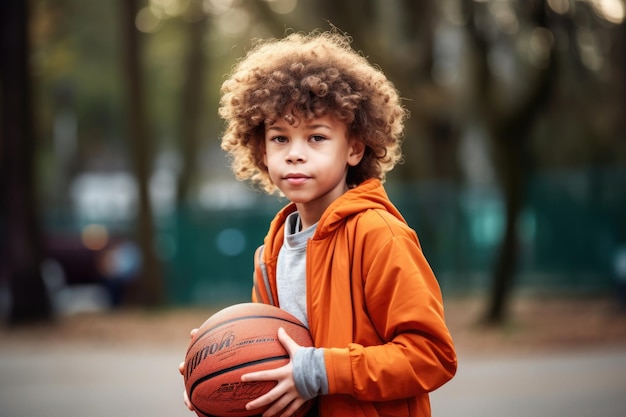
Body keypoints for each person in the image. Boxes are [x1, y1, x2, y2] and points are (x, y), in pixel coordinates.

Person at [180, 30, 457, 417]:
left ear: (354, 148)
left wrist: (324, 370)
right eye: (280, 138)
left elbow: (432, 356)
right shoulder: (271, 252)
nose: (295, 154)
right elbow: (274, 362)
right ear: (261, 148)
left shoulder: (379, 235)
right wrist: (222, 373)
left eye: (316, 137)